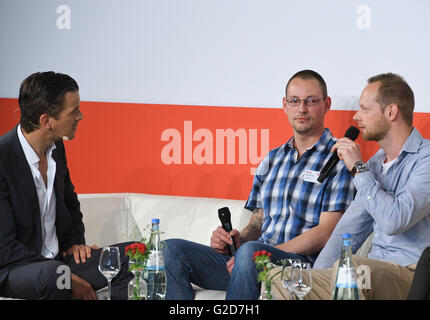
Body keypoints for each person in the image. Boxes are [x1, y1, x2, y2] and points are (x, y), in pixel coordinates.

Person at [163, 70, 356, 300]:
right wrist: (235, 242)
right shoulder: (272, 159)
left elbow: (327, 233)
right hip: (253, 261)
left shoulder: (338, 157)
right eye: (294, 101)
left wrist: (257, 254)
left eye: (311, 101)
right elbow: (260, 222)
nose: (302, 109)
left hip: (299, 268)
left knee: (250, 254)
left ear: (326, 105)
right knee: (172, 251)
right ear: (285, 105)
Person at [268, 72, 430, 300]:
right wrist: (312, 280)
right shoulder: (374, 165)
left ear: (391, 112)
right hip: (367, 274)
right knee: (281, 278)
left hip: (411, 275)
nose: (356, 116)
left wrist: (358, 169)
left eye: (365, 109)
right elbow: (347, 233)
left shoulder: (425, 158)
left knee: (355, 270)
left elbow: (395, 220)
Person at [0, 71, 133, 300]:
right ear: (46, 121)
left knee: (133, 255)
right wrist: (65, 274)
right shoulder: (3, 159)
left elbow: (70, 202)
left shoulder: (56, 148)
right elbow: (4, 248)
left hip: (58, 260)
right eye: (73, 111)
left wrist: (75, 243)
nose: (80, 116)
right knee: (56, 277)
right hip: (14, 268)